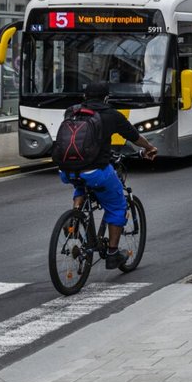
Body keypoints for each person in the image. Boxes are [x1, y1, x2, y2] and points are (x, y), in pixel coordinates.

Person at [58, 80, 157, 268]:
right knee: (117, 205)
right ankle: (112, 253)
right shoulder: (112, 115)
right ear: (106, 98)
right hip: (96, 172)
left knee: (80, 182)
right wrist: (150, 148)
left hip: (66, 170)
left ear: (85, 97)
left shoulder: (71, 111)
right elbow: (135, 137)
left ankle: (75, 215)